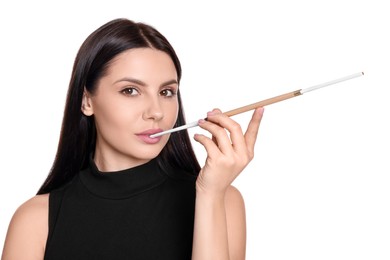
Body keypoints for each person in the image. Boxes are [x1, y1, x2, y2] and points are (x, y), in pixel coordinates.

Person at [1, 18, 264, 260]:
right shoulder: (35, 220)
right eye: (130, 90)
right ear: (87, 101)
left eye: (167, 92)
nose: (156, 112)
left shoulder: (222, 199)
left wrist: (209, 196)